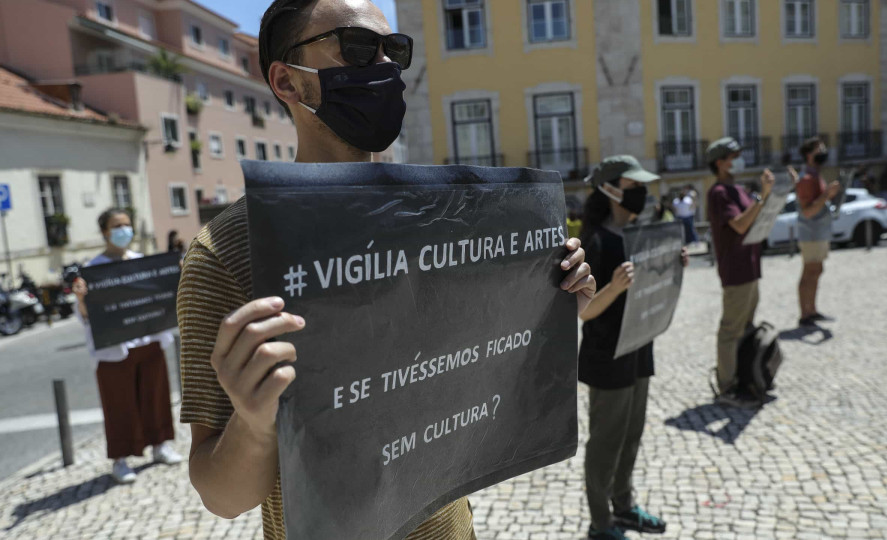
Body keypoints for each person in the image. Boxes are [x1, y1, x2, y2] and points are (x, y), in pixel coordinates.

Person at [175, 2, 597, 540]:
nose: (383, 66)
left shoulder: (441, 216)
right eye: (355, 47)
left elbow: (463, 369)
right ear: (287, 81)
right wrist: (254, 423)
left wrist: (548, 310)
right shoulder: (226, 252)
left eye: (393, 50)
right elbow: (221, 496)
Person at [578, 155, 685, 540]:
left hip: (638, 347)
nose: (641, 193)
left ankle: (623, 507)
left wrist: (672, 262)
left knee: (631, 433)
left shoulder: (641, 234)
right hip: (607, 356)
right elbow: (585, 312)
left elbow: (651, 284)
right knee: (606, 441)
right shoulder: (595, 240)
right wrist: (614, 287)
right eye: (633, 186)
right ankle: (600, 522)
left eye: (642, 186)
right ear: (609, 190)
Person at [73, 208, 182, 484]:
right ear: (105, 232)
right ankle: (120, 459)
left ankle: (160, 446)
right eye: (117, 225)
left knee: (155, 397)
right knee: (118, 405)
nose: (124, 230)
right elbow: (86, 317)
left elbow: (161, 298)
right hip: (114, 351)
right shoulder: (93, 270)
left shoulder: (143, 263)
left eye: (127, 224)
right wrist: (82, 299)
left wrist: (173, 276)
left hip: (148, 341)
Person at [705, 138, 775, 408]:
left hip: (750, 267)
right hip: (736, 270)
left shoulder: (738, 189)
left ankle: (744, 376)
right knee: (730, 330)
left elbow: (757, 218)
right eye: (734, 156)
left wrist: (768, 197)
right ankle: (726, 388)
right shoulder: (720, 192)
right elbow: (739, 224)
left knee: (745, 328)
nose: (738, 160)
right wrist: (762, 196)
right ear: (721, 162)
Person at [795, 137, 840, 326]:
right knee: (809, 271)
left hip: (818, 231)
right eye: (819, 149)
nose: (823, 151)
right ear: (809, 154)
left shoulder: (815, 175)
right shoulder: (807, 178)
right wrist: (827, 195)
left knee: (817, 270)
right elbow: (807, 211)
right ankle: (805, 314)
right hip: (811, 232)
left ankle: (812, 310)